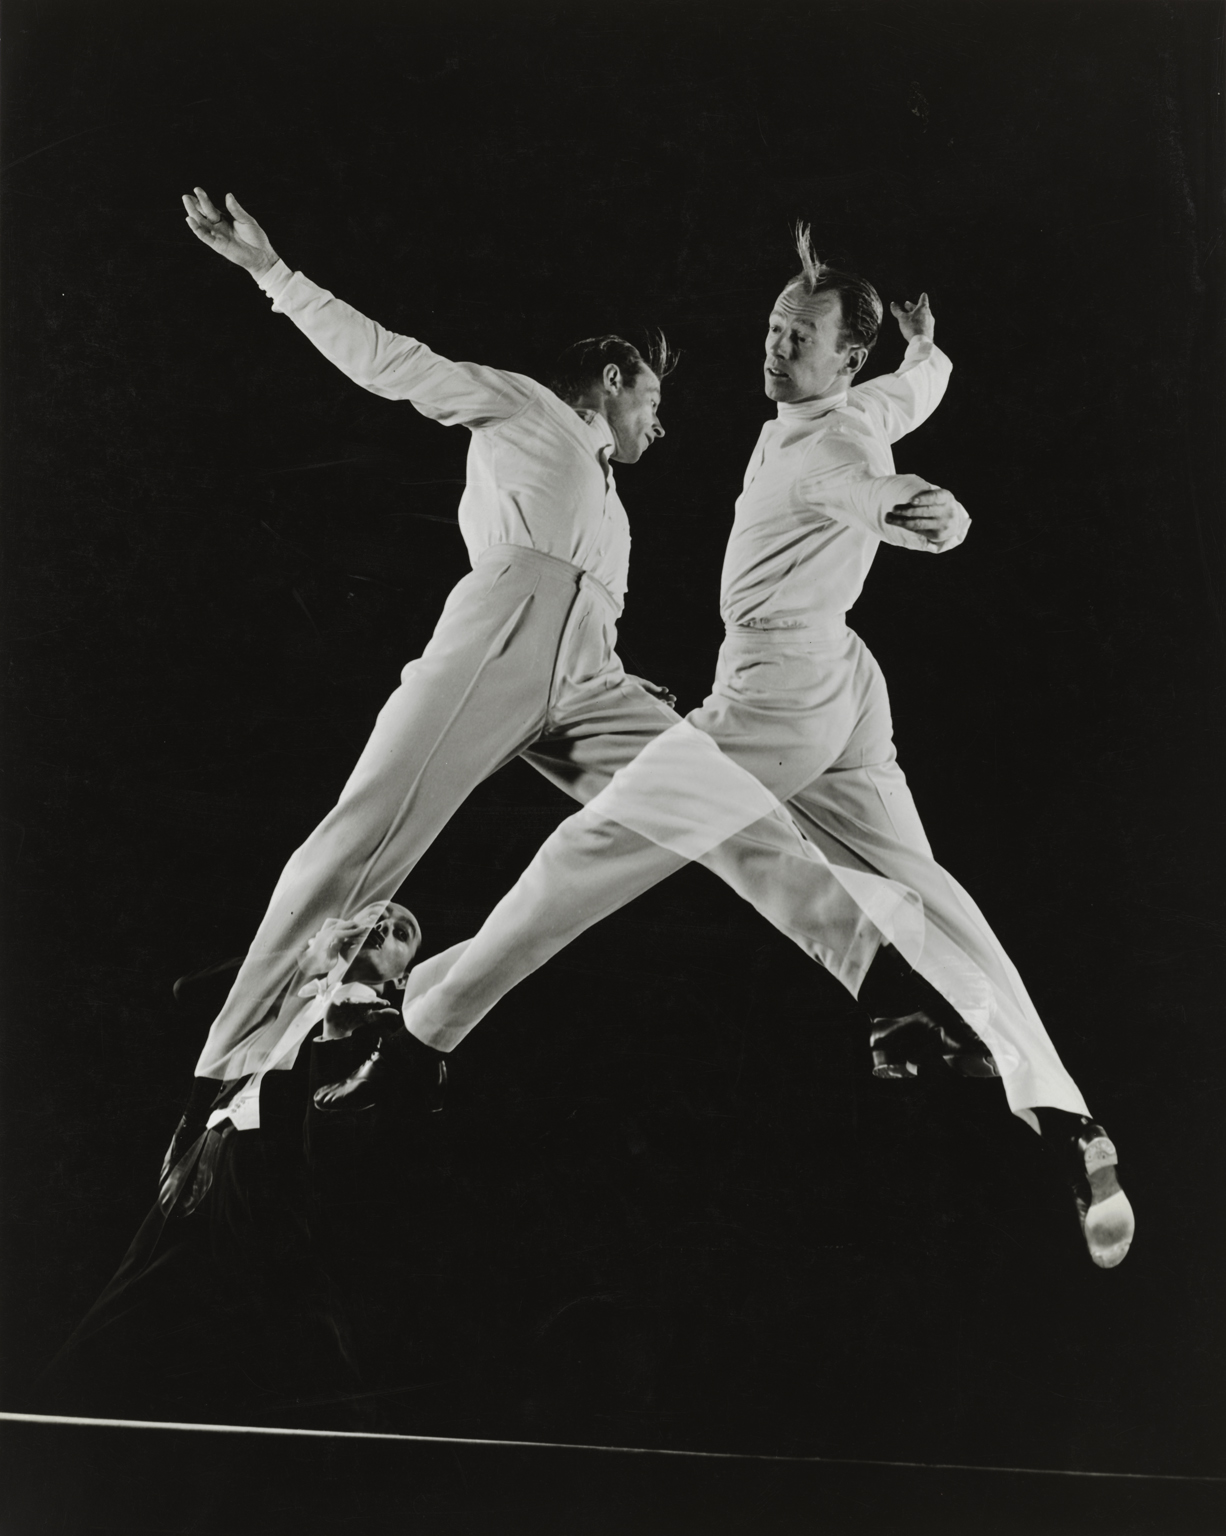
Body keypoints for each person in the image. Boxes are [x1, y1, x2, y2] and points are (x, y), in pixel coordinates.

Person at [318, 227, 1135, 1272]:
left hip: (773, 698)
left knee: (593, 849)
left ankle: (419, 1035)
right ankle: (1067, 1122)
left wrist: (927, 514)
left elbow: (877, 490)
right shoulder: (848, 404)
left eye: (800, 337)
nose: (775, 346)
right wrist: (924, 355)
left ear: (841, 356)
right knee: (924, 891)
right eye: (773, 327)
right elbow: (906, 399)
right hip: (840, 685)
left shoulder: (830, 449)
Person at [178, 189, 940, 1096]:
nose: (661, 423)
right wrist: (274, 273)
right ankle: (222, 1069)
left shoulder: (610, 501)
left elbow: (588, 608)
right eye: (652, 399)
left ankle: (885, 987)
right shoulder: (523, 408)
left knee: (719, 800)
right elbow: (390, 360)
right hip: (500, 636)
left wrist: (926, 354)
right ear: (611, 379)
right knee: (367, 834)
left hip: (587, 676)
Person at [37, 902, 426, 1429]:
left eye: (401, 931)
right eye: (376, 915)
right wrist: (302, 959)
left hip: (281, 1185)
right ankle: (35, 1429)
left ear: (403, 974)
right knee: (125, 1311)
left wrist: (335, 1040)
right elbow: (187, 992)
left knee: (308, 1350)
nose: (382, 927)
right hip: (209, 1158)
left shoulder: (391, 1033)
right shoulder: (298, 981)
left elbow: (345, 1152)